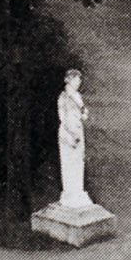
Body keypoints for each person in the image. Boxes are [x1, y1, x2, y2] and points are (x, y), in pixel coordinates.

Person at [55, 69, 94, 210]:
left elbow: (81, 114)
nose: (79, 83)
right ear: (69, 80)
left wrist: (84, 114)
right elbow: (63, 119)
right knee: (69, 163)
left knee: (78, 162)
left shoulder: (77, 96)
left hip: (78, 131)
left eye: (80, 80)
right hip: (69, 133)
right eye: (77, 80)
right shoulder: (64, 97)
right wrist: (72, 135)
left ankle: (78, 192)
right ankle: (70, 194)